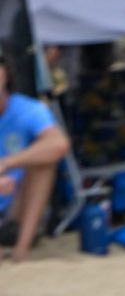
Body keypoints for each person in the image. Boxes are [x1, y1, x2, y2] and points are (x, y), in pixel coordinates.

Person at [0, 48, 69, 265]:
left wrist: (6, 163)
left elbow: (58, 144)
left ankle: (22, 250)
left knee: (43, 164)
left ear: (5, 73)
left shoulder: (26, 109)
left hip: (15, 209)